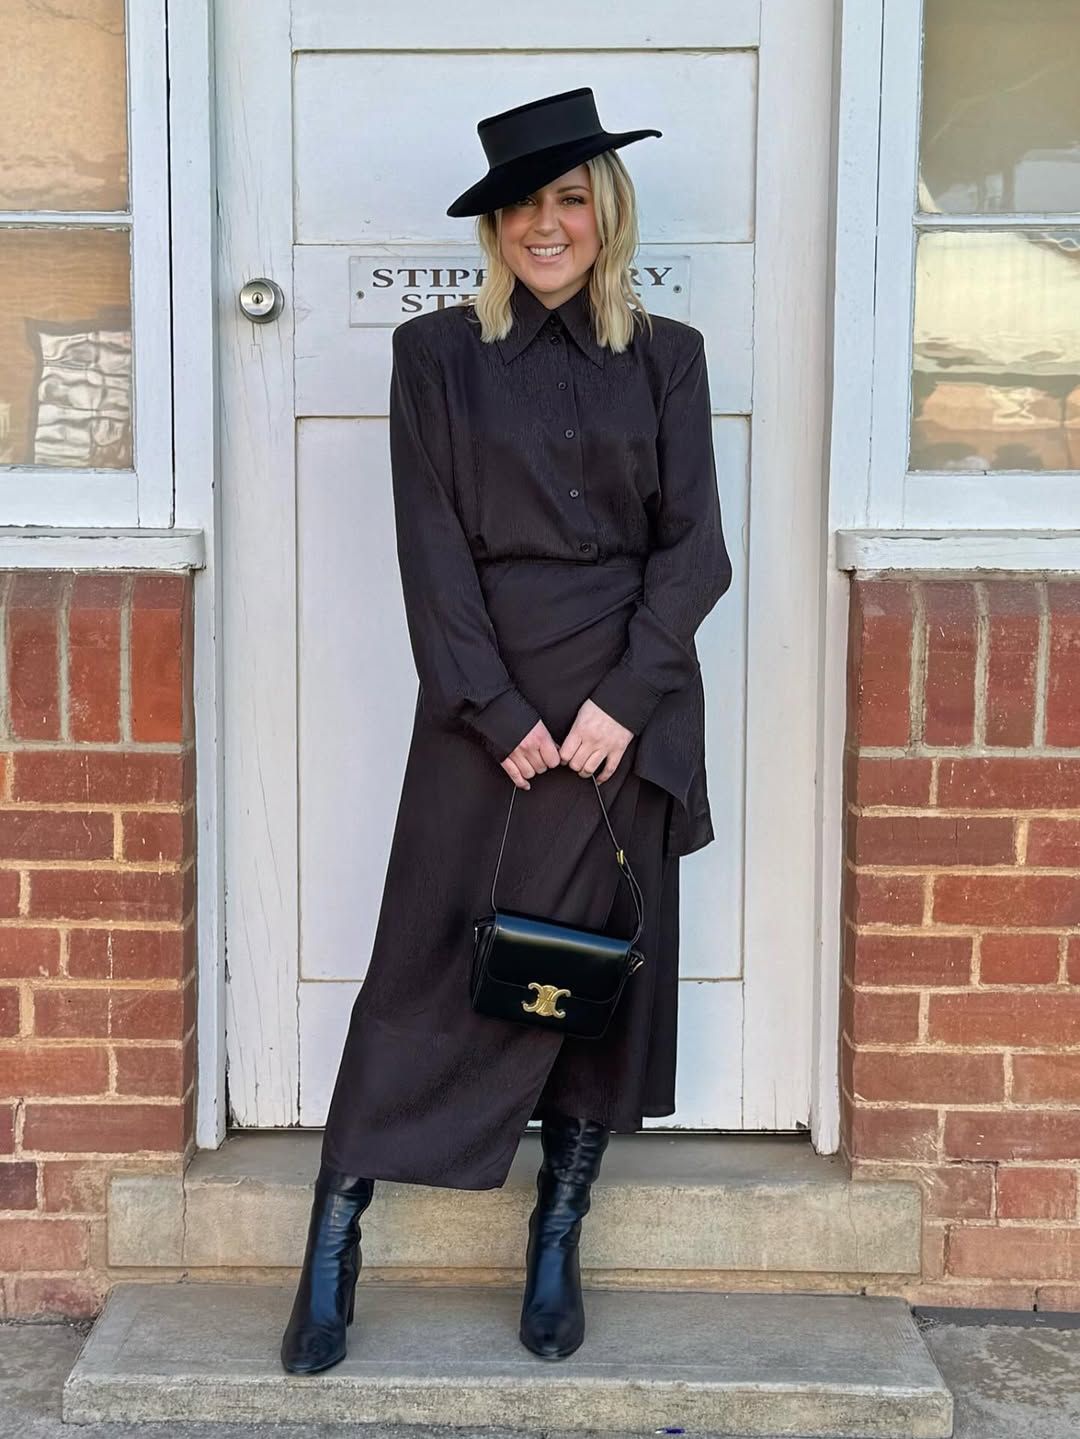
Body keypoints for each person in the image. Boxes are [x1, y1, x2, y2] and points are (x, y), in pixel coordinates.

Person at [280, 86, 733, 1375]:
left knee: (592, 974)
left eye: (570, 199)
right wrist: (495, 709)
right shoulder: (434, 355)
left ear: (606, 213)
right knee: (426, 965)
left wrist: (623, 703)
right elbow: (430, 549)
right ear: (494, 228)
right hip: (486, 701)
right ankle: (333, 1244)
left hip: (626, 706)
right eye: (525, 205)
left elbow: (695, 552)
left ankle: (557, 1236)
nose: (548, 225)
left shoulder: (669, 355)